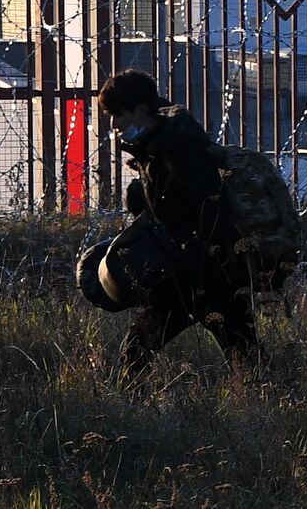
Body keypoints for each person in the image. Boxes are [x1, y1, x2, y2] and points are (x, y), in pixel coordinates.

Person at [96, 70, 260, 382]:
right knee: (142, 347)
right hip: (188, 270)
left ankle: (273, 409)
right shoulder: (156, 148)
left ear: (142, 111)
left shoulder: (179, 149)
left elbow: (209, 206)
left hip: (206, 271)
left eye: (118, 114)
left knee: (241, 352)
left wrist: (194, 256)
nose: (114, 124)